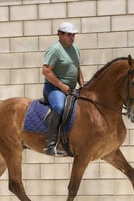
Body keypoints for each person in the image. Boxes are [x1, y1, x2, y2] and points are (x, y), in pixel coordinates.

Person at [42, 22, 84, 155]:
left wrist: (83, 86)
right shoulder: (55, 49)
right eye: (69, 35)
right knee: (60, 107)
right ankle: (51, 143)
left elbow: (77, 68)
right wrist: (61, 85)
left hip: (70, 89)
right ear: (59, 34)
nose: (72, 38)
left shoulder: (75, 49)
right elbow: (46, 71)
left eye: (73, 35)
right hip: (53, 88)